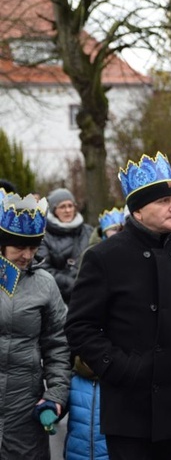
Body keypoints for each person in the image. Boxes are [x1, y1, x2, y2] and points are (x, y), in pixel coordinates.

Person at [65, 151, 171, 460]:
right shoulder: (104, 257)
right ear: (138, 211)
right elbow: (79, 327)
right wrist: (124, 369)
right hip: (131, 412)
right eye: (163, 201)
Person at [0, 193, 71, 458]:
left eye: (33, 247)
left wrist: (55, 394)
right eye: (19, 247)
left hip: (25, 407)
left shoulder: (45, 284)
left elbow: (58, 345)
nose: (27, 255)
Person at [65, 207, 126, 460]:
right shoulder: (93, 258)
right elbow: (79, 323)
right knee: (82, 432)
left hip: (116, 371)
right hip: (86, 369)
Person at [36, 187, 94, 304]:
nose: (67, 210)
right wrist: (74, 284)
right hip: (61, 301)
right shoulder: (43, 235)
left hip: (92, 296)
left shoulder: (89, 231)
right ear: (53, 210)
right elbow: (43, 269)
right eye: (62, 206)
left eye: (70, 205)